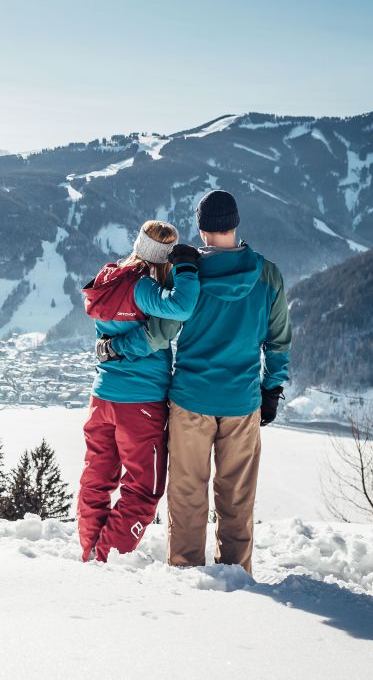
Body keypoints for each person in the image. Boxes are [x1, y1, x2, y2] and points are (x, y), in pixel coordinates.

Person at [109, 190, 290, 572]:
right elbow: (278, 342)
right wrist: (271, 389)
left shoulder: (189, 273)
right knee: (237, 498)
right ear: (235, 223)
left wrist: (115, 347)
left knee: (188, 494)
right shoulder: (267, 274)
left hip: (191, 401)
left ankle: (187, 577)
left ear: (202, 227)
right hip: (242, 404)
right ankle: (236, 575)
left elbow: (159, 333)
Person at [76, 220, 200, 562]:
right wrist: (187, 268)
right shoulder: (143, 287)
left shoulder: (109, 278)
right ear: (164, 257)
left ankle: (90, 553)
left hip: (102, 397)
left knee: (97, 477)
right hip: (140, 403)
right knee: (144, 489)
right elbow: (183, 306)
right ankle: (106, 558)